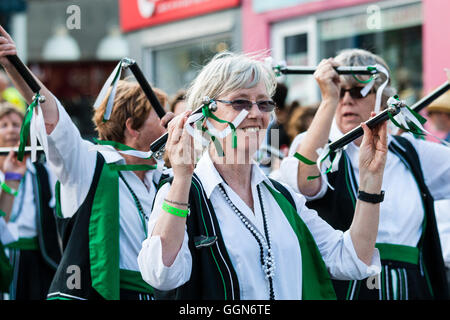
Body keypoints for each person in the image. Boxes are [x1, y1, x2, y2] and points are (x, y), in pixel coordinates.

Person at [137, 51, 388, 300]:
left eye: (264, 103)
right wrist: (182, 178)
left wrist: (370, 181)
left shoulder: (282, 196)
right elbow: (161, 274)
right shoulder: (182, 193)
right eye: (240, 103)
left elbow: (351, 258)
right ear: (204, 116)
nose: (256, 114)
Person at [0, 25, 174, 300]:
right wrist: (13, 64)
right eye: (159, 114)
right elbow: (51, 115)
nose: (169, 120)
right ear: (132, 126)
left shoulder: (164, 177)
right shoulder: (88, 163)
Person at [277, 48, 450, 300]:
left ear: (382, 99)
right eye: (339, 91)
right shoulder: (319, 147)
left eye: (358, 91)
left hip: (412, 286)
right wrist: (328, 100)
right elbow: (305, 182)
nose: (346, 99)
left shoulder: (410, 151)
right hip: (349, 287)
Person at [0, 102, 60, 300]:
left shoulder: (42, 171)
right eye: (4, 125)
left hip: (42, 256)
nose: (11, 130)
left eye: (16, 124)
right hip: (6, 256)